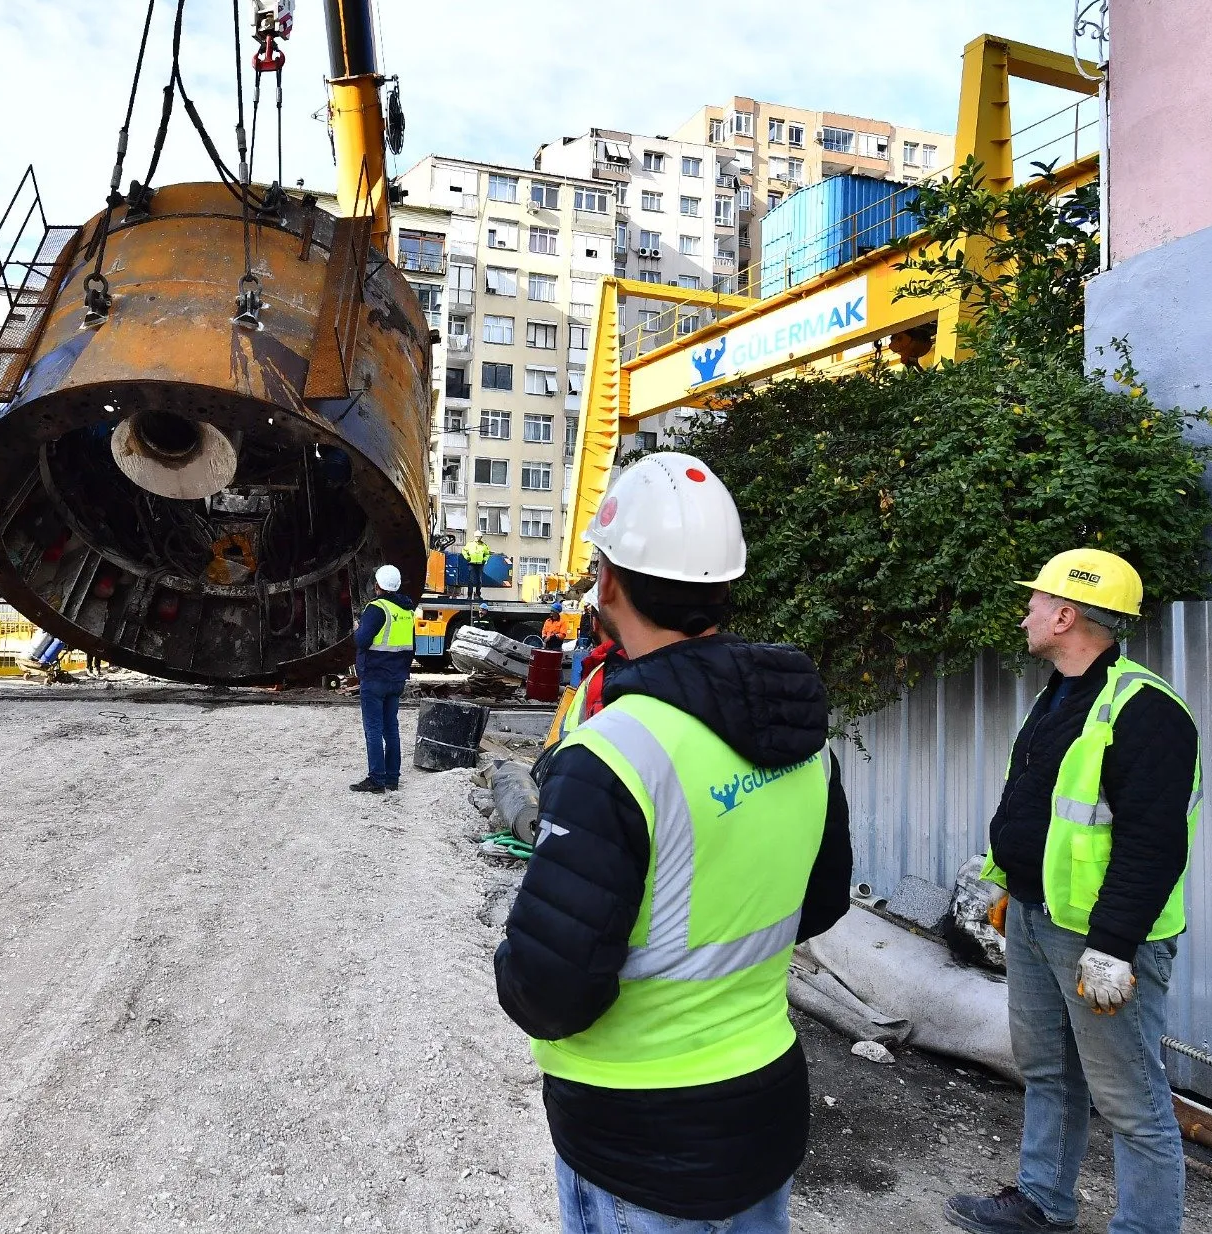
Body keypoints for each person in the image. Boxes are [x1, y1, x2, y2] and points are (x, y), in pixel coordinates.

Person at [493, 453, 853, 1232]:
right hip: (762, 1102)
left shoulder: (614, 753)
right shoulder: (798, 734)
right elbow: (820, 903)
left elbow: (546, 992)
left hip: (638, 1132)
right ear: (725, 586)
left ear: (610, 583)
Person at [945, 550, 1200, 1234]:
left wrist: (1112, 947)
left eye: (1036, 603)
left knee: (1131, 1100)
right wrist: (1000, 878)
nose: (1025, 613)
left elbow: (1154, 845)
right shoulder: (1060, 693)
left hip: (1103, 941)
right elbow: (1044, 805)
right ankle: (1042, 1202)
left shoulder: (1146, 711)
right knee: (1049, 1071)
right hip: (1036, 918)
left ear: (1066, 615)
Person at [350, 564, 416, 795]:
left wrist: (358, 628)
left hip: (375, 677)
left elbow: (362, 640)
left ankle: (376, 780)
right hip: (396, 679)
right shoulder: (407, 611)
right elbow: (411, 647)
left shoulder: (377, 609)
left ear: (377, 585)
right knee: (391, 729)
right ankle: (392, 778)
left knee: (373, 729)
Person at [463, 531, 492, 605]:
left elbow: (487, 554)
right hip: (471, 563)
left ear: (481, 537)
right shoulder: (470, 544)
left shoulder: (484, 545)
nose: (478, 538)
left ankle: (478, 595)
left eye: (479, 537)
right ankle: (469, 595)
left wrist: (484, 559)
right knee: (471, 580)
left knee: (479, 580)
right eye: (476, 536)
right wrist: (467, 557)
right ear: (474, 536)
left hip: (480, 564)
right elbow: (464, 551)